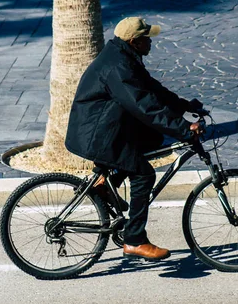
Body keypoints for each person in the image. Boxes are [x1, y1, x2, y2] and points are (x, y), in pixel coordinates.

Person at [65, 17, 204, 261]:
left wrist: (185, 108)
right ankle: (135, 240)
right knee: (144, 174)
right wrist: (184, 129)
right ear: (134, 41)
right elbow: (144, 106)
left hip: (107, 126)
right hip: (98, 134)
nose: (150, 42)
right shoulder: (119, 67)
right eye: (146, 38)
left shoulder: (124, 57)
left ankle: (102, 182)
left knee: (152, 140)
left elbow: (153, 90)